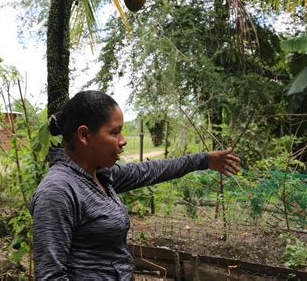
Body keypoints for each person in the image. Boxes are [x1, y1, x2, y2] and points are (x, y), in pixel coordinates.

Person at [31, 90, 240, 280]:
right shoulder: (58, 192)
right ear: (84, 135)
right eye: (114, 132)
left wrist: (203, 160)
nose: (123, 140)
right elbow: (51, 276)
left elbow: (151, 170)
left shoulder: (99, 176)